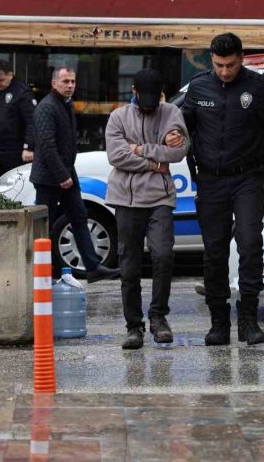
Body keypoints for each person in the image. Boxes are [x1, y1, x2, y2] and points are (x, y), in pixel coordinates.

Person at [182, 33, 264, 346]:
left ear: (241, 58)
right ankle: (219, 323)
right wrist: (171, 140)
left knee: (249, 242)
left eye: (230, 65)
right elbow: (181, 126)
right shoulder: (199, 86)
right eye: (219, 65)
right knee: (214, 251)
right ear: (211, 61)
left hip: (248, 178)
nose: (225, 71)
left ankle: (249, 320)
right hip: (211, 180)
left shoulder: (258, 88)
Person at [105, 69, 189, 350]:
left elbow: (179, 152)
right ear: (134, 91)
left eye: (155, 97)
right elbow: (116, 156)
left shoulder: (171, 113)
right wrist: (154, 162)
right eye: (145, 97)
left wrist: (139, 150)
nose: (150, 103)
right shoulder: (118, 117)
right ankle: (133, 325)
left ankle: (158, 318)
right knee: (129, 266)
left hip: (160, 199)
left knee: (163, 255)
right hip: (126, 200)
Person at [31, 67, 121, 284]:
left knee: (79, 218)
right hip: (48, 178)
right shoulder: (46, 107)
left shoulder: (66, 104)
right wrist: (62, 175)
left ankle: (93, 267)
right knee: (46, 226)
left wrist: (67, 173)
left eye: (72, 81)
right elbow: (47, 146)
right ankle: (46, 270)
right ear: (54, 83)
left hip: (66, 174)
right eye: (65, 81)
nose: (70, 85)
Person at [0, 59, 36, 187]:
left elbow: (32, 121)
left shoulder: (22, 92)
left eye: (1, 80)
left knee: (11, 185)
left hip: (14, 147)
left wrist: (29, 147)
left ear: (10, 75)